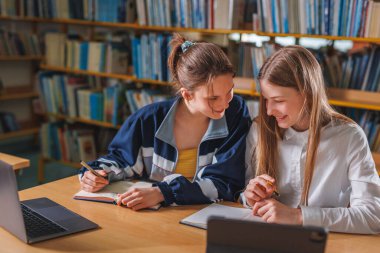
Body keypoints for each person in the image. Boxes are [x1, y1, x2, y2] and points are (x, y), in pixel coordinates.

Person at [79, 33, 251, 211]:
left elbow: (225, 182)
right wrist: (96, 175)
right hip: (154, 217)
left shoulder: (235, 112)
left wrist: (163, 193)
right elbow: (120, 160)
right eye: (213, 98)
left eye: (229, 91)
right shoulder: (147, 120)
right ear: (187, 95)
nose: (224, 103)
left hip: (205, 216)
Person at [242, 45, 380, 234]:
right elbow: (243, 195)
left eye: (279, 101)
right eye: (266, 99)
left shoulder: (349, 137)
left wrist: (299, 216)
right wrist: (250, 196)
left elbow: (373, 216)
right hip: (266, 237)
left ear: (307, 94)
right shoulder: (259, 130)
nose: (269, 111)